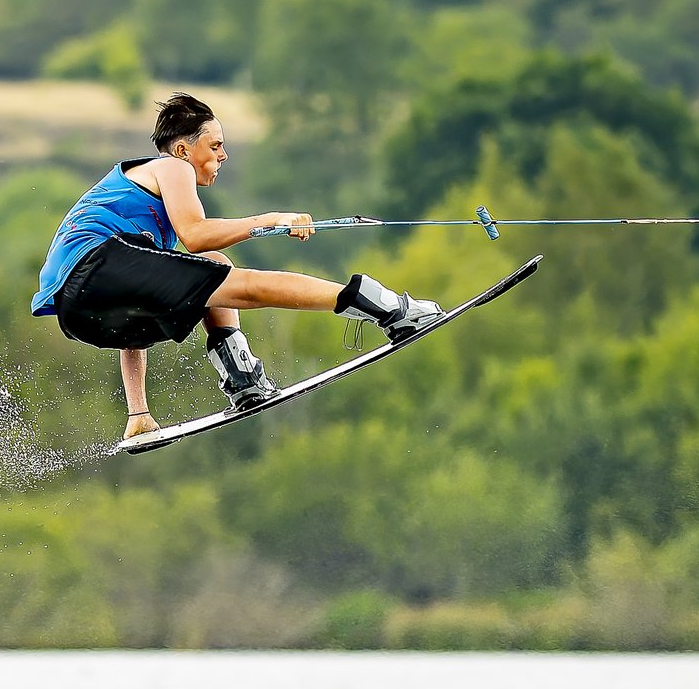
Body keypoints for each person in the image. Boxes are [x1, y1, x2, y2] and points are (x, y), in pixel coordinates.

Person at [31, 93, 444, 440]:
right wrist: (270, 220)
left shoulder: (144, 227)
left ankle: (243, 382)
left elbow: (132, 312)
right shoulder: (170, 168)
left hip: (80, 310)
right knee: (245, 285)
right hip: (94, 270)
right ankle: (391, 311)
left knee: (210, 267)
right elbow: (195, 232)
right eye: (214, 146)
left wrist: (137, 411)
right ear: (182, 149)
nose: (224, 155)